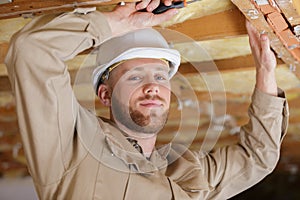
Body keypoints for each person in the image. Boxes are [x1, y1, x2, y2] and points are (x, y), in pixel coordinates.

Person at [5, 1, 288, 199]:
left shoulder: (188, 172)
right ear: (105, 94)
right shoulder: (73, 148)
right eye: (135, 77)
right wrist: (114, 24)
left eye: (161, 77)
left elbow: (257, 158)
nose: (153, 87)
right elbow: (32, 52)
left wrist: (265, 72)